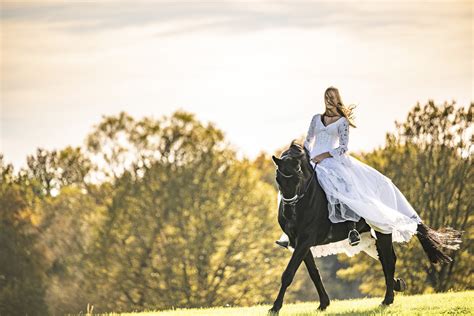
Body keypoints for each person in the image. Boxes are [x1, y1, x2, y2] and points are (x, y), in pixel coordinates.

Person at [276, 86, 422, 249]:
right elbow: (308, 141)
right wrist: (306, 157)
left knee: (343, 187)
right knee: (293, 186)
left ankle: (351, 228)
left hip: (332, 160)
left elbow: (343, 147)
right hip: (312, 160)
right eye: (327, 97)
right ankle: (289, 233)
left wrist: (324, 156)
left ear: (337, 99)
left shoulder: (342, 121)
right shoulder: (316, 118)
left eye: (332, 97)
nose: (329, 100)